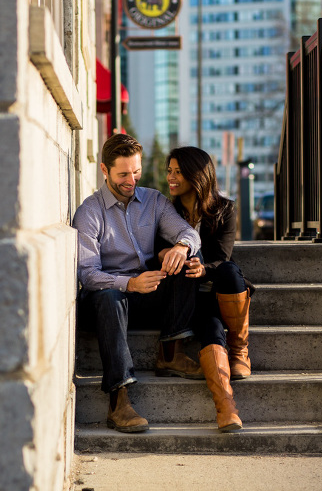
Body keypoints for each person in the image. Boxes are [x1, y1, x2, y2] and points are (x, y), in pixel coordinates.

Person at [72, 133, 203, 433]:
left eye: (136, 171)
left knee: (188, 263)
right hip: (107, 301)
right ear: (104, 170)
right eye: (122, 174)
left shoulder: (154, 201)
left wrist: (181, 248)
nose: (131, 180)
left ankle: (171, 353)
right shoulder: (90, 213)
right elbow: (87, 275)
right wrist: (129, 285)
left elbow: (189, 233)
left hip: (147, 295)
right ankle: (119, 399)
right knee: (108, 296)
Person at [157, 145, 253, 431]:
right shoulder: (166, 210)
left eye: (178, 172)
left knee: (229, 270)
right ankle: (226, 409)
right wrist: (167, 255)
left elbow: (222, 256)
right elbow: (156, 250)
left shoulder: (224, 209)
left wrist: (202, 269)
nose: (171, 178)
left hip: (221, 289)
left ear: (196, 175)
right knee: (211, 331)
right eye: (169, 171)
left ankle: (239, 350)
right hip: (189, 298)